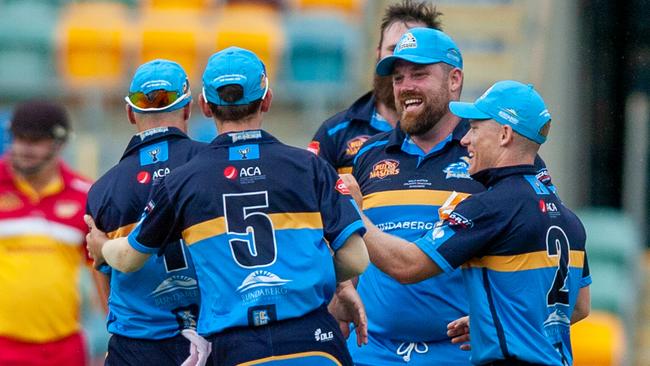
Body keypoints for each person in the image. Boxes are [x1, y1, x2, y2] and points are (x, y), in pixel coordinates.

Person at [85, 46, 369, 366]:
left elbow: (129, 258)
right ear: (267, 100)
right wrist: (307, 278)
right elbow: (357, 259)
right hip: (314, 338)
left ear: (205, 106)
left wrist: (101, 246)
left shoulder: (182, 180)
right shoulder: (310, 166)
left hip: (235, 347)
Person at [348, 26, 557, 365]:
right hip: (372, 352)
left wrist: (503, 323)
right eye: (398, 78)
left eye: (419, 74)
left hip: (457, 355)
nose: (405, 87)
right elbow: (350, 252)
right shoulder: (368, 154)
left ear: (454, 79)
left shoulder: (496, 157)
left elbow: (553, 262)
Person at [85, 59, 212, 366]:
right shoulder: (212, 165)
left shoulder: (103, 189)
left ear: (130, 113)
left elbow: (105, 277)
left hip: (138, 347)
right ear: (188, 109)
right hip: (214, 338)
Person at [0, 100, 94, 365]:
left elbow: (101, 273)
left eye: (35, 140)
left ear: (60, 143)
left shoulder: (85, 195)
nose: (24, 149)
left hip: (64, 348)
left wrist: (116, 334)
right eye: (19, 138)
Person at [309, 0, 442, 174]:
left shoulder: (461, 136)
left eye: (415, 53)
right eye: (394, 49)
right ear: (378, 53)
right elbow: (310, 196)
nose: (403, 62)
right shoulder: (335, 133)